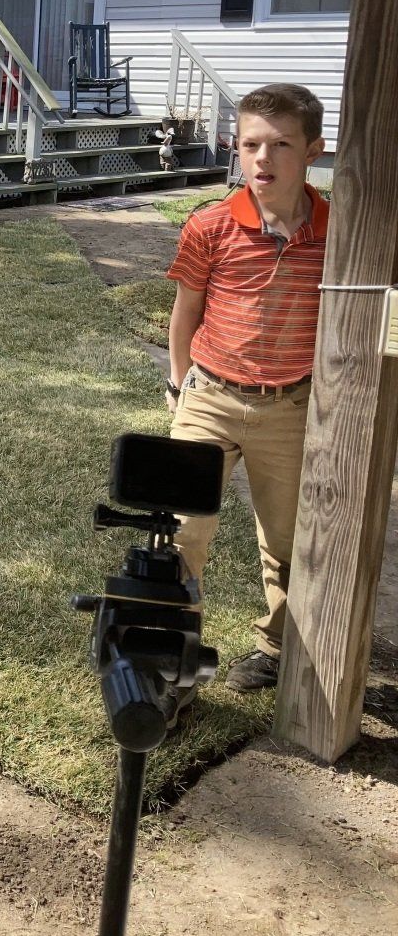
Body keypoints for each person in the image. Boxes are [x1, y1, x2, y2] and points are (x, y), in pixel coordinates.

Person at [165, 83, 329, 692]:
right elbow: (186, 311)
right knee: (180, 528)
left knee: (288, 540)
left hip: (290, 406)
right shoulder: (210, 225)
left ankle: (275, 648)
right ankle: (173, 652)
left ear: (312, 150)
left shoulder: (338, 232)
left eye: (281, 144)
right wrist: (179, 384)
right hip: (209, 396)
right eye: (250, 144)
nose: (263, 159)